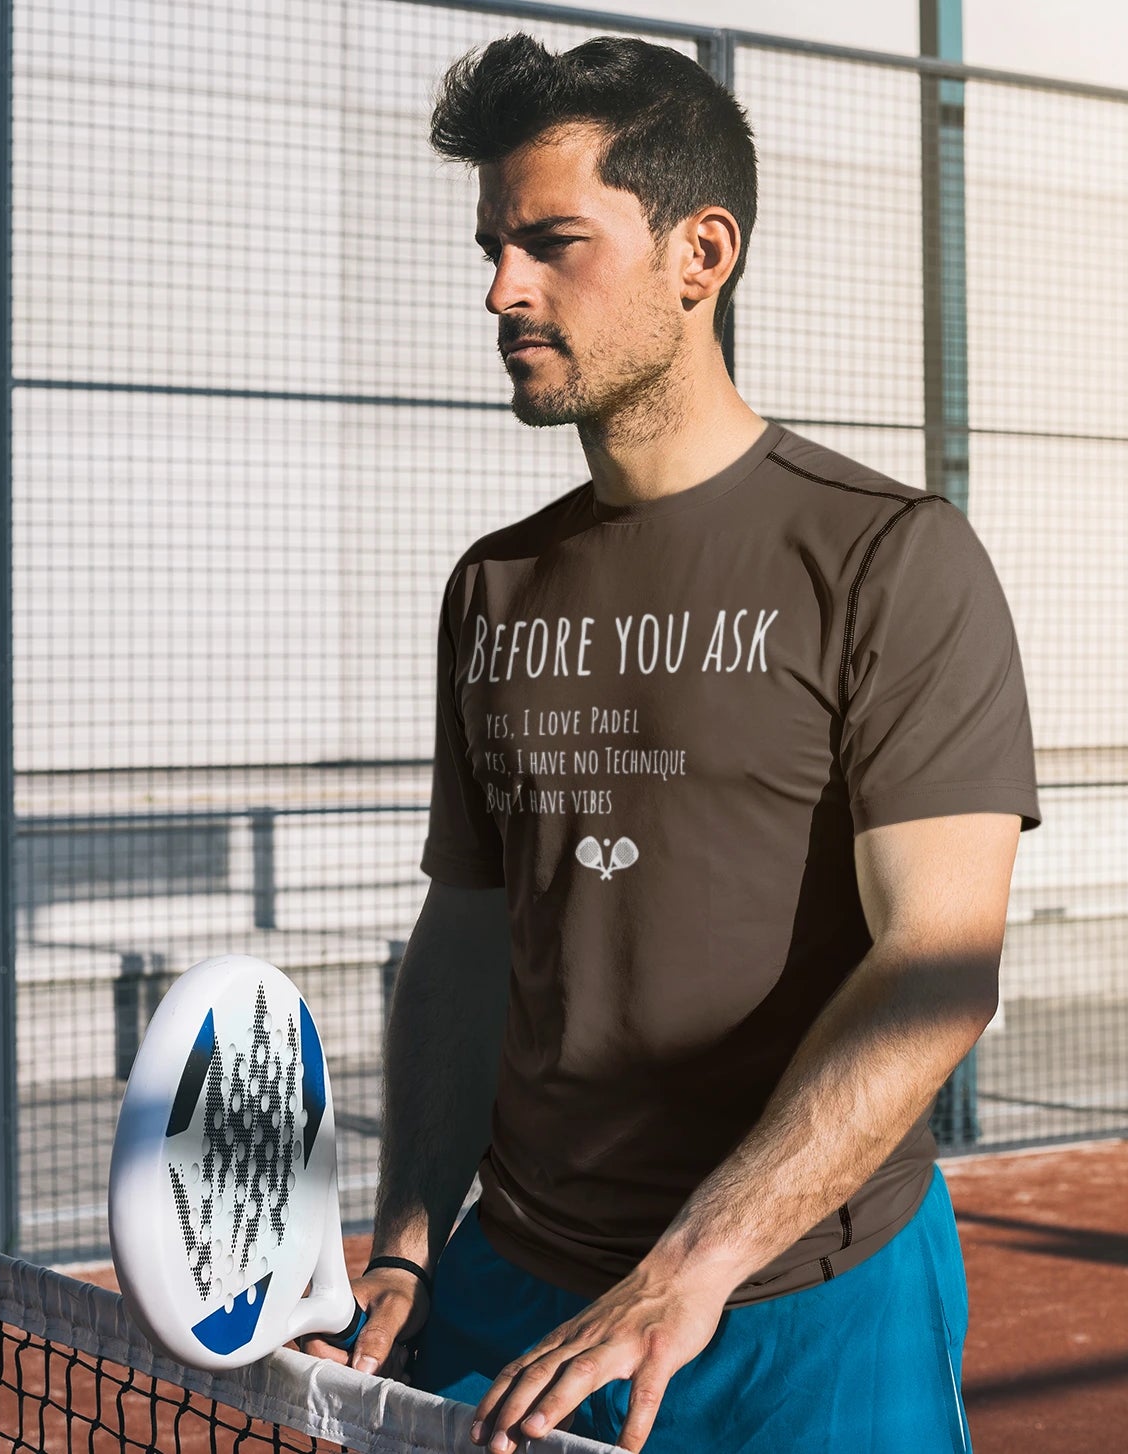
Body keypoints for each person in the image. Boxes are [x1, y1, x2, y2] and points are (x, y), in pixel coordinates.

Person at [303, 31, 1042, 1454]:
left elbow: (938, 965)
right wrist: (408, 1241)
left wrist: (689, 1267)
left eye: (551, 243)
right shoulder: (492, 586)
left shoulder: (891, 558)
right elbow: (467, 934)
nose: (502, 288)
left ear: (702, 253)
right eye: (493, 247)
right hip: (517, 1287)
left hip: (809, 1309)